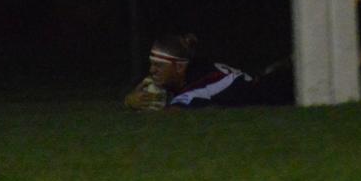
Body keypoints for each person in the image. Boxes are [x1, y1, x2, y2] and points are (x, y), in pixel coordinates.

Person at [123, 32, 293, 110]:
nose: (152, 70)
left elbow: (173, 115)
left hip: (274, 91)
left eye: (159, 65)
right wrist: (130, 99)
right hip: (260, 80)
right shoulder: (188, 71)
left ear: (180, 67)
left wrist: (134, 105)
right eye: (152, 64)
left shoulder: (201, 84)